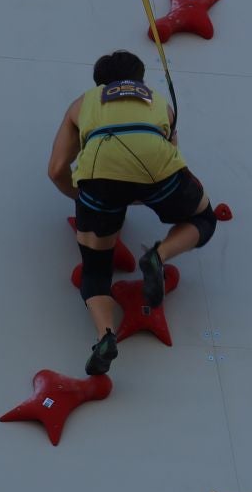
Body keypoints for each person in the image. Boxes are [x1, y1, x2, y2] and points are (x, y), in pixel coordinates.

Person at [47, 51, 218, 375]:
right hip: (159, 172)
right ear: (138, 79)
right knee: (204, 219)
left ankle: (105, 337)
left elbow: (56, 169)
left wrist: (80, 198)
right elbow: (171, 154)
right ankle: (159, 254)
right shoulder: (159, 103)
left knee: (96, 268)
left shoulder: (82, 103)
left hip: (99, 180)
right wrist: (142, 192)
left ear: (100, 83)